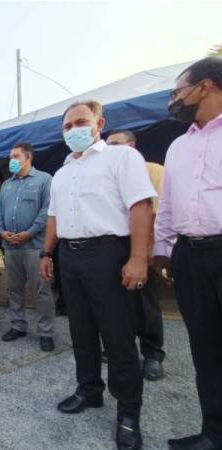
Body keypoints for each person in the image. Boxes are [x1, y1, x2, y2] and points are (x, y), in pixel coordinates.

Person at [39, 100, 156, 450]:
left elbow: (141, 206)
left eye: (80, 122)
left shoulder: (121, 158)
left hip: (108, 253)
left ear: (99, 123)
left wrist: (138, 258)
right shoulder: (61, 173)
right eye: (67, 126)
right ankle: (89, 390)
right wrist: (46, 253)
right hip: (69, 257)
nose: (73, 130)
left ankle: (129, 414)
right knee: (81, 331)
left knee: (118, 336)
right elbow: (54, 218)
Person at [153, 56, 222, 450]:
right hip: (190, 256)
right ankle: (213, 434)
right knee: (206, 351)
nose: (174, 100)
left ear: (206, 86)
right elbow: (169, 204)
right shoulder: (179, 146)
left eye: (178, 92)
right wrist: (163, 252)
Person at [106, 130, 165, 381]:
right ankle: (119, 347)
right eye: (107, 145)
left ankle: (153, 354)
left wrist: (146, 252)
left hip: (141, 247)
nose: (111, 149)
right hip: (112, 248)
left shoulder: (153, 170)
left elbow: (157, 212)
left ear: (131, 145)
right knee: (115, 304)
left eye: (116, 144)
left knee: (145, 305)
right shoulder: (105, 172)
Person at [0, 143, 55, 352]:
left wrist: (29, 233)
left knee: (42, 290)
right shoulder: (6, 185)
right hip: (10, 246)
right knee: (15, 289)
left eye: (15, 156)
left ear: (28, 157)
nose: (11, 159)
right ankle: (17, 325)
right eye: (10, 156)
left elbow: (48, 210)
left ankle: (46, 332)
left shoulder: (44, 179)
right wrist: (2, 232)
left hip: (34, 246)